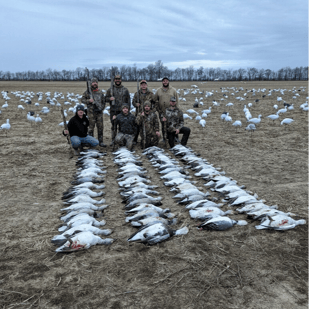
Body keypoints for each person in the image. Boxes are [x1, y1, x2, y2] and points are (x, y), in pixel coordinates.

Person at [105, 74, 131, 146]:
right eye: (116, 79)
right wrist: (109, 99)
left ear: (121, 80)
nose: (117, 80)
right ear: (114, 80)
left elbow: (128, 100)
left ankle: (121, 140)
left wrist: (128, 110)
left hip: (122, 112)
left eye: (119, 79)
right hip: (113, 111)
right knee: (114, 126)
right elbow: (105, 99)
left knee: (122, 126)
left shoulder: (125, 90)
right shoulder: (110, 89)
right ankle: (113, 140)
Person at [153, 76, 179, 144]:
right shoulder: (159, 90)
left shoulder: (173, 90)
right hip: (162, 111)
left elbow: (177, 100)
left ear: (168, 81)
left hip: (171, 111)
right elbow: (154, 99)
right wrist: (157, 108)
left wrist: (177, 109)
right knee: (163, 125)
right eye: (164, 81)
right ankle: (165, 138)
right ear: (162, 82)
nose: (165, 82)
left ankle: (175, 137)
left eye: (166, 81)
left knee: (172, 124)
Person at [81, 77, 106, 147]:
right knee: (91, 128)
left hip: (99, 113)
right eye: (93, 82)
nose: (94, 84)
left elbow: (103, 102)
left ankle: (101, 142)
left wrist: (102, 108)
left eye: (96, 82)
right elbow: (82, 99)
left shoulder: (100, 92)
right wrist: (89, 101)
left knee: (100, 127)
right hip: (91, 113)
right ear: (91, 83)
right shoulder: (87, 92)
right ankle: (91, 142)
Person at [132, 80, 155, 144]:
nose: (143, 86)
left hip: (148, 114)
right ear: (140, 85)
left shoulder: (151, 94)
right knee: (137, 126)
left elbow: (155, 103)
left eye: (145, 84)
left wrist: (152, 111)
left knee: (147, 126)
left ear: (146, 85)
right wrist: (136, 104)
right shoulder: (137, 94)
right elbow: (133, 102)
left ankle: (147, 138)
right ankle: (135, 139)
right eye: (142, 84)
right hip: (139, 112)